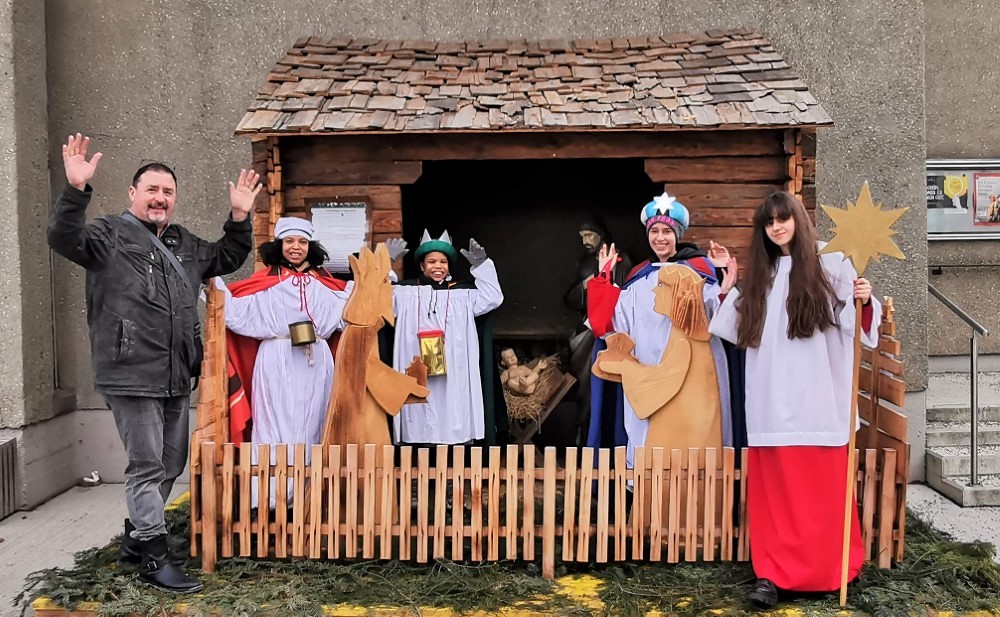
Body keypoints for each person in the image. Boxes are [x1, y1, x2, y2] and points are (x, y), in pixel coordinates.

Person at [47, 134, 259, 593]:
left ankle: (136, 539)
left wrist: (240, 217)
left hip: (176, 373)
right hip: (130, 372)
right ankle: (153, 556)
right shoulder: (107, 234)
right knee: (146, 465)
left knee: (170, 461)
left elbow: (226, 256)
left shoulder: (182, 242)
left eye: (167, 191)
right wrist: (76, 189)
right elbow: (63, 237)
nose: (160, 198)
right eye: (152, 190)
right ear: (133, 193)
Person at [708, 191, 880, 607]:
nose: (776, 227)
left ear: (798, 219)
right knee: (776, 498)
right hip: (771, 398)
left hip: (819, 396)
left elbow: (855, 322)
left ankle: (828, 572)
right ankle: (772, 575)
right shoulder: (763, 274)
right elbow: (735, 327)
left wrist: (863, 297)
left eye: (782, 219)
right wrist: (726, 287)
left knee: (820, 496)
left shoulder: (830, 262)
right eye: (769, 222)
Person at [585, 192, 736, 461]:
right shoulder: (639, 278)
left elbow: (717, 316)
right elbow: (609, 325)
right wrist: (605, 278)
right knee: (649, 442)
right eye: (654, 231)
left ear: (677, 234)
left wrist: (724, 283)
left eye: (667, 231)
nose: (660, 238)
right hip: (646, 369)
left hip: (690, 374)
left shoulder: (697, 272)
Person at [214, 217, 351, 508]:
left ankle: (309, 499)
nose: (295, 247)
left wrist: (382, 275)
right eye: (289, 241)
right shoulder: (266, 284)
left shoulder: (325, 285)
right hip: (277, 359)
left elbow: (354, 307)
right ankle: (268, 501)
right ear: (279, 245)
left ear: (310, 246)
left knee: (316, 422)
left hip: (317, 361)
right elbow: (234, 312)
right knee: (272, 425)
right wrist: (211, 277)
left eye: (302, 242)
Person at [386, 230, 504, 446]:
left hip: (454, 365)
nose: (438, 266)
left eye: (443, 262)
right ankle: (419, 448)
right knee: (420, 404)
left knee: (452, 406)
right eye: (431, 262)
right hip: (414, 360)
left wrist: (482, 266)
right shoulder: (404, 293)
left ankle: (453, 449)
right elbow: (377, 296)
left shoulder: (463, 295)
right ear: (422, 266)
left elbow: (493, 298)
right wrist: (386, 262)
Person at [564, 218, 632, 445]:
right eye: (582, 236)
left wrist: (606, 282)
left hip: (616, 330)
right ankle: (586, 436)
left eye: (589, 235)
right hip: (588, 331)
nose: (585, 241)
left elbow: (627, 294)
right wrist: (586, 285)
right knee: (587, 388)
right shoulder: (584, 263)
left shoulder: (623, 261)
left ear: (601, 234)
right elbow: (569, 299)